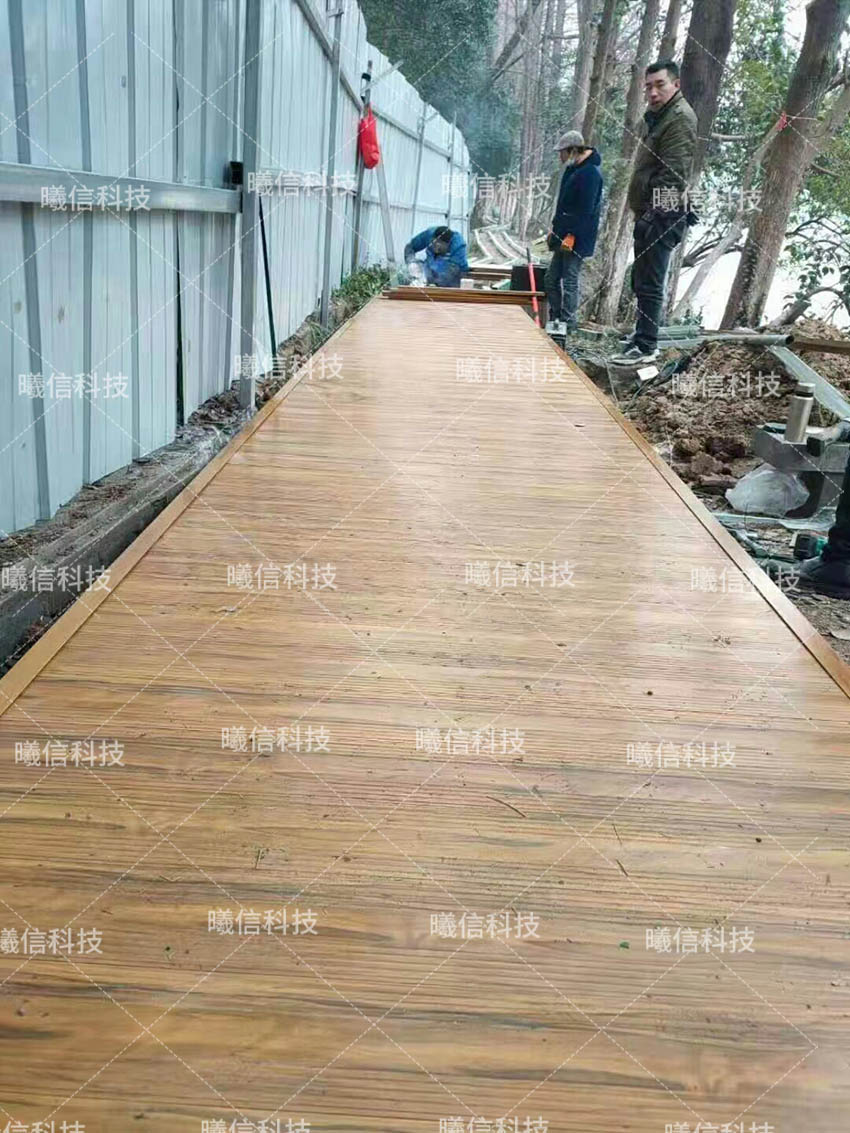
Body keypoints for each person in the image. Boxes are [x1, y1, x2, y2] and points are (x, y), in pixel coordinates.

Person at [611, 59, 697, 366]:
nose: (653, 92)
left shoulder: (680, 118)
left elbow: (673, 175)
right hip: (652, 211)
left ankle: (647, 346)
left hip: (663, 213)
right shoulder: (661, 116)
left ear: (676, 84)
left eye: (660, 85)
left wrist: (652, 217)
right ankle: (641, 337)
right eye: (648, 87)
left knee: (650, 281)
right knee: (643, 278)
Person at [544, 130, 604, 337]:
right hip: (562, 233)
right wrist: (554, 229)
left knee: (570, 279)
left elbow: (586, 210)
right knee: (551, 279)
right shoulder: (572, 170)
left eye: (562, 152)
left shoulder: (591, 174)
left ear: (572, 150)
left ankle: (569, 324)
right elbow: (562, 205)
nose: (560, 156)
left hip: (577, 237)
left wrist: (572, 235)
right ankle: (556, 318)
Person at [404, 225, 469, 288]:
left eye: (439, 248)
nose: (436, 249)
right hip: (431, 268)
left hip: (455, 274)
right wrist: (411, 263)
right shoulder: (428, 235)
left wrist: (428, 281)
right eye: (434, 244)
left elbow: (452, 272)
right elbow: (410, 247)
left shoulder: (458, 246)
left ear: (448, 244)